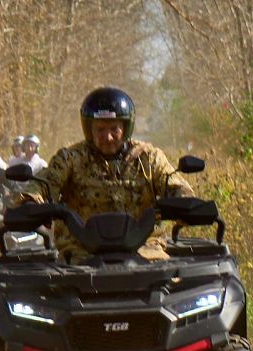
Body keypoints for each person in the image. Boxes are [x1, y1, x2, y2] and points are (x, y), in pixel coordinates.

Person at [24, 87, 193, 262]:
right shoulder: (70, 159)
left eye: (114, 129)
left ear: (126, 128)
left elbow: (176, 185)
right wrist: (31, 202)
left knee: (172, 283)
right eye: (100, 129)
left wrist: (182, 202)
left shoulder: (148, 158)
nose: (108, 136)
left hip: (146, 251)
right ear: (89, 130)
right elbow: (44, 182)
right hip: (81, 255)